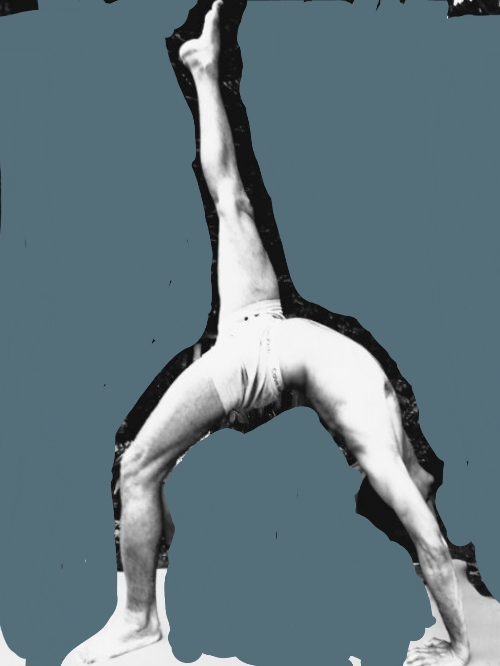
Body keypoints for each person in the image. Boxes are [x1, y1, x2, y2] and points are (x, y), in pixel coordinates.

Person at [74, 2, 470, 665]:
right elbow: (427, 535)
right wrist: (456, 643)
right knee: (228, 197)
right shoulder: (379, 425)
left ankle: (139, 621)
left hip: (264, 340)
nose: (423, 491)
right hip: (265, 337)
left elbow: (427, 533)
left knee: (139, 466)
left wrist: (460, 646)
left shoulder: (379, 405)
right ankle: (203, 68)